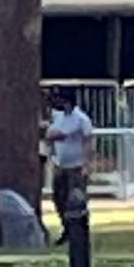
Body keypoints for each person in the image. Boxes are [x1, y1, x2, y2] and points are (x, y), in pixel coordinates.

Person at [44, 88, 94, 228]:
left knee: (76, 198)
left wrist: (86, 164)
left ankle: (79, 228)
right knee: (59, 197)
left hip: (76, 166)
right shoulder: (59, 117)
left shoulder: (80, 119)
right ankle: (66, 227)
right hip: (60, 165)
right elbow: (49, 134)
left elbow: (86, 140)